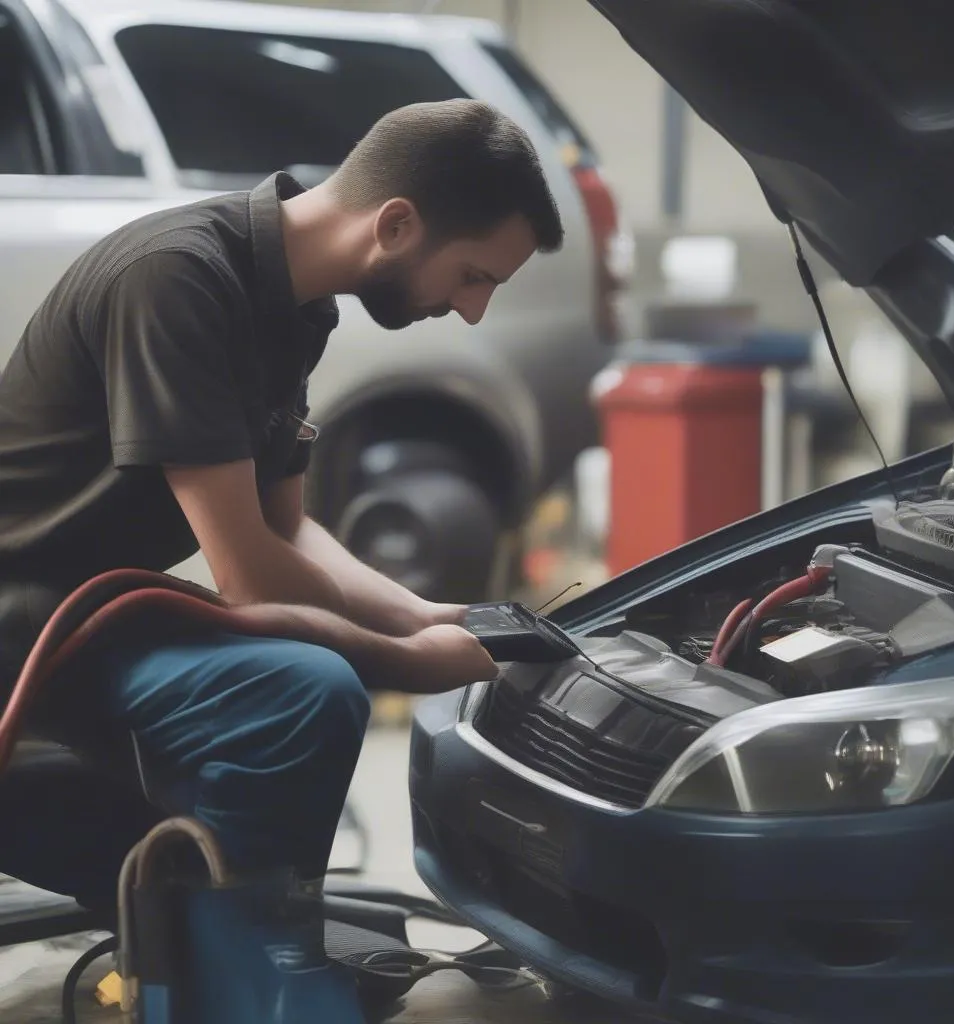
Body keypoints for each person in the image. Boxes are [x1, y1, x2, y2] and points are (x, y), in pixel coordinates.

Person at [0, 99, 563, 1021]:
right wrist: (406, 662)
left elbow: (290, 529)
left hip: (92, 618)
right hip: (26, 630)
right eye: (472, 276)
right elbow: (249, 576)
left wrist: (424, 613)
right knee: (297, 692)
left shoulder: (296, 311)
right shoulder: (177, 279)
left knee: (291, 688)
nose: (472, 309)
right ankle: (241, 982)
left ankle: (225, 948)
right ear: (396, 224)